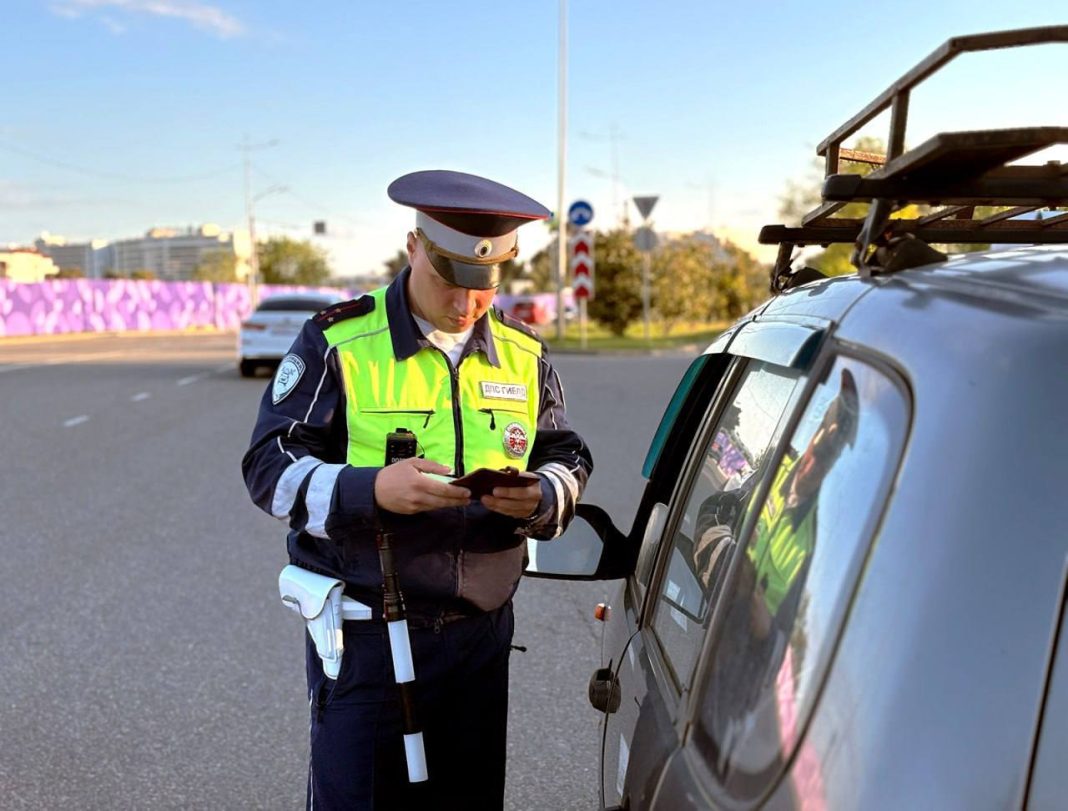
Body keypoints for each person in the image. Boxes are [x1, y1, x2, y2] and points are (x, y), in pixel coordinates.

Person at [242, 169, 592, 810]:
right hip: (369, 633)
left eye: (482, 290)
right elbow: (270, 467)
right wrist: (370, 489)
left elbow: (565, 455)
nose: (464, 307)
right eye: (448, 282)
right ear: (413, 248)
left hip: (480, 635)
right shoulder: (339, 341)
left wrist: (542, 495)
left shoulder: (524, 353)